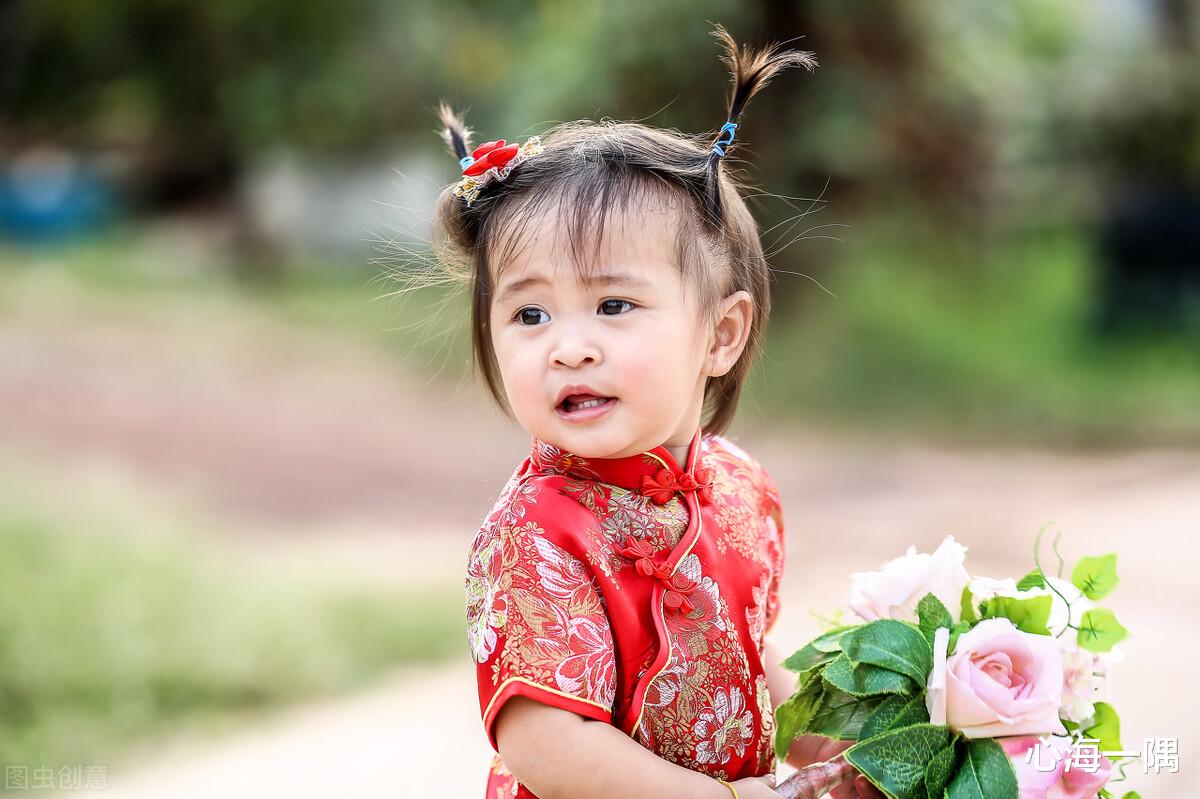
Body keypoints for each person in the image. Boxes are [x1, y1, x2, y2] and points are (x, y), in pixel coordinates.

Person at [434, 24, 884, 799]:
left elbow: (749, 658)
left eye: (613, 304)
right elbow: (548, 740)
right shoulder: (536, 530)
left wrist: (845, 750)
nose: (568, 348)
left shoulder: (740, 489)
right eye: (530, 316)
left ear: (721, 333)